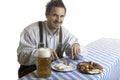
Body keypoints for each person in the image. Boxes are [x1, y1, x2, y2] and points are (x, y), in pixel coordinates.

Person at [17, 0, 84, 78]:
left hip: (54, 73)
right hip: (32, 72)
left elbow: (80, 55)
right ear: (46, 14)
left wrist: (77, 46)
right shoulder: (30, 31)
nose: (59, 20)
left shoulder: (65, 33)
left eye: (62, 16)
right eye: (55, 15)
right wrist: (42, 53)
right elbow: (21, 57)